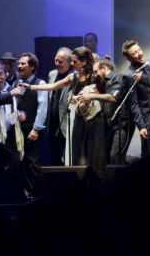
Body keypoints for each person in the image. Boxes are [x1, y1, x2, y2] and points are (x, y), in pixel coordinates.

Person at [29, 47, 108, 181]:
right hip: (78, 118)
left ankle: (95, 185)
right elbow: (53, 86)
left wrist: (86, 97)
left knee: (92, 154)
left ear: (83, 62)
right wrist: (31, 87)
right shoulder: (74, 76)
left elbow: (102, 95)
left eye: (74, 61)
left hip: (93, 120)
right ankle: (77, 185)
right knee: (75, 154)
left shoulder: (94, 76)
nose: (71, 64)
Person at [15, 53, 48, 196]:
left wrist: (36, 129)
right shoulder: (18, 83)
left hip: (32, 130)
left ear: (32, 66)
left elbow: (42, 108)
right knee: (21, 162)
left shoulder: (40, 83)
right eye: (19, 63)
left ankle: (35, 194)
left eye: (23, 63)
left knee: (32, 162)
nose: (19, 66)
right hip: (18, 130)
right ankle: (24, 193)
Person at [122, 40, 150, 160]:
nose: (139, 54)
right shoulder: (129, 75)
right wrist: (141, 126)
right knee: (149, 153)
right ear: (128, 58)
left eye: (139, 50)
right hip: (147, 116)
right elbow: (134, 104)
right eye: (134, 53)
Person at [93, 58, 132, 166]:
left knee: (115, 156)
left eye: (96, 71)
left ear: (104, 68)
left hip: (121, 125)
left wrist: (92, 96)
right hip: (111, 125)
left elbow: (113, 97)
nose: (94, 74)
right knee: (109, 158)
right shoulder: (104, 83)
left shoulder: (118, 77)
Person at [47, 47, 77, 166]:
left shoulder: (74, 76)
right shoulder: (52, 74)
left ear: (70, 63)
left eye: (61, 62)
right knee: (54, 158)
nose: (57, 64)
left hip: (67, 123)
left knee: (68, 159)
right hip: (53, 123)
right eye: (56, 60)